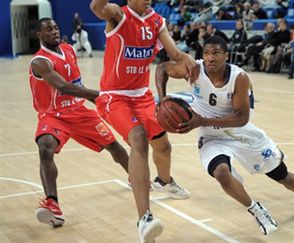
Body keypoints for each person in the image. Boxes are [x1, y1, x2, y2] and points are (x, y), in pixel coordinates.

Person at [155, 36, 294, 236]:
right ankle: (256, 209)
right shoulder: (194, 70)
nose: (210, 58)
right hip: (212, 137)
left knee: (282, 176)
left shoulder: (239, 78)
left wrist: (202, 121)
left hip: (241, 134)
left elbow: (241, 118)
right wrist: (162, 98)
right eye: (206, 53)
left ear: (226, 55)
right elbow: (162, 68)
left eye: (216, 53)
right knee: (222, 173)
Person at [89, 0, 196, 241]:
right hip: (114, 97)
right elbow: (97, 7)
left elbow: (175, 53)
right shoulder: (118, 15)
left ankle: (164, 181)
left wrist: (186, 59)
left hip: (142, 95)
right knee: (138, 138)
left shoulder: (157, 20)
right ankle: (144, 218)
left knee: (163, 144)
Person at [30, 18, 129, 227]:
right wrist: (98, 94)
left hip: (79, 111)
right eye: (48, 29)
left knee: (114, 147)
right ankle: (53, 205)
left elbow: (77, 83)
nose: (54, 31)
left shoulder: (68, 49)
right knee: (45, 147)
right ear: (39, 34)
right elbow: (64, 87)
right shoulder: (40, 62)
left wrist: (95, 99)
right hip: (54, 114)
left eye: (56, 27)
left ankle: (138, 179)